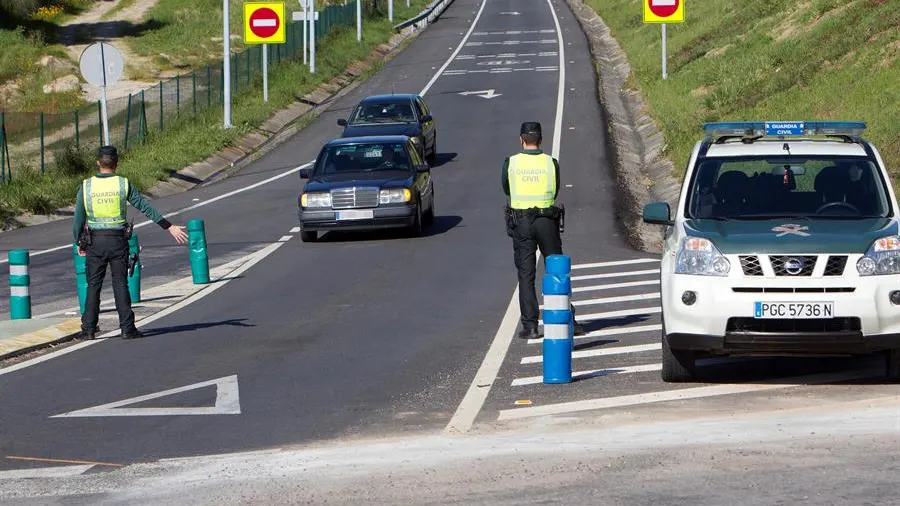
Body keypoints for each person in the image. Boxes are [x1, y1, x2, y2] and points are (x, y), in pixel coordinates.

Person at [73, 146, 189, 340]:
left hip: (95, 242)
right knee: (120, 283)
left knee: (93, 285)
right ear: (116, 163)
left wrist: (78, 240)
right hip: (117, 241)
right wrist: (168, 226)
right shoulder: (123, 184)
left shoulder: (86, 186)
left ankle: (89, 329)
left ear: (98, 163)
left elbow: (78, 218)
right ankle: (127, 328)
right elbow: (144, 206)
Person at [502, 122, 584, 339]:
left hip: (522, 222)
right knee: (556, 270)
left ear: (521, 139)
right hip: (547, 220)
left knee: (526, 274)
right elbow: (555, 189)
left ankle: (530, 326)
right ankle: (569, 320)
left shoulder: (511, 163)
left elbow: (506, 188)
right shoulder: (550, 163)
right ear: (541, 139)